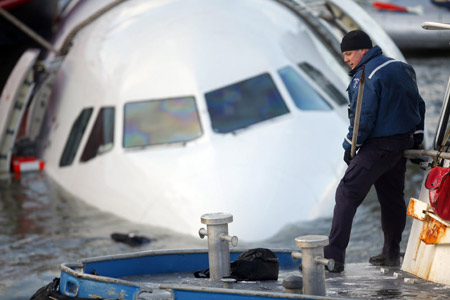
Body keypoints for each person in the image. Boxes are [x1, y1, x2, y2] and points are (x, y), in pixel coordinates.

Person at [323, 30, 426, 273]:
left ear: (363, 50)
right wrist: (417, 139)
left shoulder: (366, 75)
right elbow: (418, 104)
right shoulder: (402, 67)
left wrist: (350, 147)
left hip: (378, 146)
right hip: (401, 143)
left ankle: (333, 258)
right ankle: (391, 253)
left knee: (347, 192)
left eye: (349, 53)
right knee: (391, 198)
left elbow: (363, 116)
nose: (346, 59)